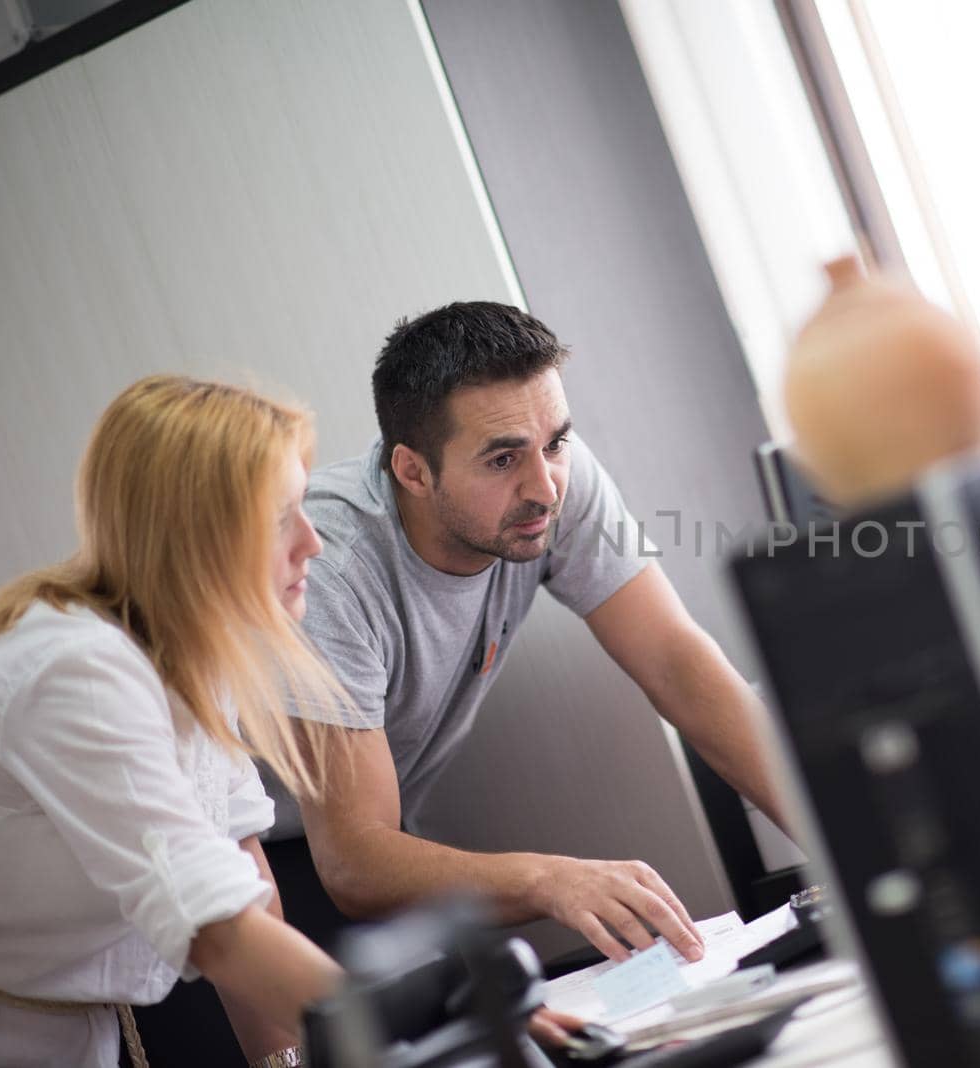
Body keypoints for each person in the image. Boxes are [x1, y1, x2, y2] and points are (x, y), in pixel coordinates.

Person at [262, 301, 791, 964]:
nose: (544, 488)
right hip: (259, 850)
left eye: (556, 444)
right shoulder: (333, 564)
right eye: (502, 460)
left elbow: (678, 664)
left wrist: (840, 838)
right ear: (412, 471)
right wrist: (550, 880)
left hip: (374, 835)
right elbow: (354, 860)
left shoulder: (550, 481)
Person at [0, 376, 345, 1068]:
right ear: (194, 535)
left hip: (68, 1022)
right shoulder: (76, 671)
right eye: (281, 518)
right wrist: (394, 1030)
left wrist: (285, 1063)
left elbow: (238, 860)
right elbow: (215, 927)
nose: (313, 543)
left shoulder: (194, 653)